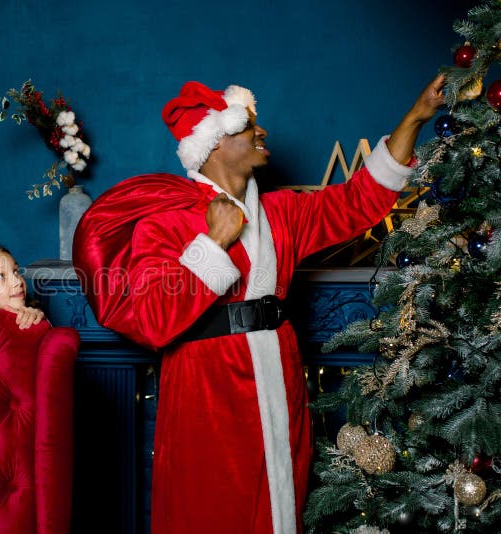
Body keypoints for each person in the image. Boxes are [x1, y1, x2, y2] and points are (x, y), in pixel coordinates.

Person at [72, 76, 445, 533]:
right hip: (205, 386)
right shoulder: (164, 224)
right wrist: (214, 242)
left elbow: (359, 200)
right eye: (248, 127)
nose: (262, 133)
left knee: (280, 504)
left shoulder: (282, 213)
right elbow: (151, 319)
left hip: (279, 373)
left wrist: (415, 117)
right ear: (214, 143)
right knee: (212, 507)